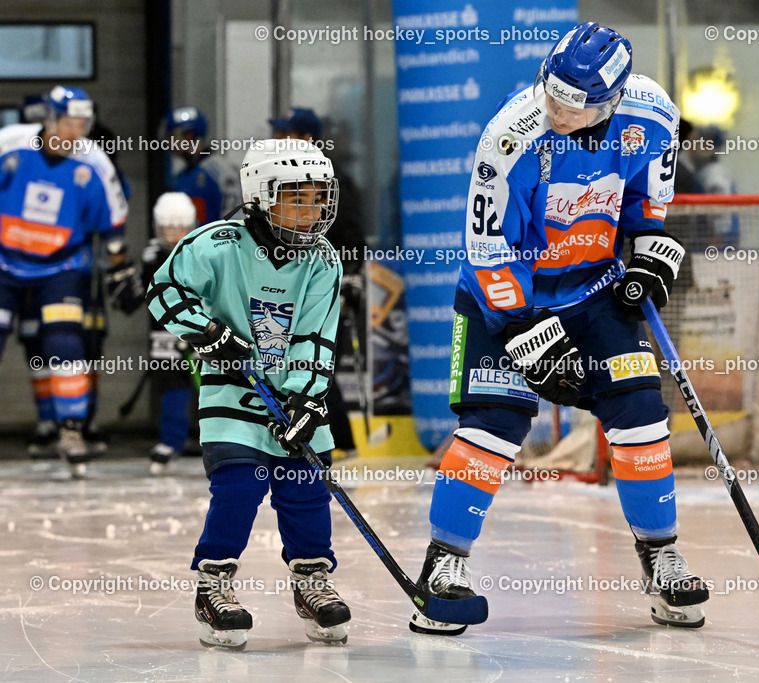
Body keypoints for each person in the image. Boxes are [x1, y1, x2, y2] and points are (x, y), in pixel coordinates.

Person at [409, 22, 709, 637]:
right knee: (493, 426)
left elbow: (646, 210)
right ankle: (444, 564)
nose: (558, 110)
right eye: (553, 94)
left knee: (642, 416)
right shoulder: (509, 136)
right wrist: (526, 338)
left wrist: (653, 257)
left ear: (614, 98)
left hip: (592, 292)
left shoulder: (654, 118)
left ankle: (660, 556)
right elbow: (489, 248)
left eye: (576, 104)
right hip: (505, 297)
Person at [146, 139, 350, 649]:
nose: (311, 211)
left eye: (318, 198)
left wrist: (306, 400)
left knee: (306, 490)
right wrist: (207, 333)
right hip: (230, 394)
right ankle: (213, 584)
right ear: (260, 195)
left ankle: (311, 584)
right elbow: (164, 291)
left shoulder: (323, 261)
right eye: (296, 198)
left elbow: (316, 337)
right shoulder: (216, 244)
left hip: (295, 397)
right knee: (239, 486)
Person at [0, 85, 138, 477]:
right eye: (70, 124)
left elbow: (113, 224)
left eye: (83, 125)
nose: (76, 133)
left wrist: (119, 267)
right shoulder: (9, 145)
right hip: (3, 264)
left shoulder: (94, 163)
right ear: (49, 119)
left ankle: (71, 431)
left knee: (65, 343)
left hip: (60, 269)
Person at [271, 106, 366, 459]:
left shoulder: (333, 180)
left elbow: (354, 238)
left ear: (307, 138)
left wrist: (351, 279)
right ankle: (333, 437)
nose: (279, 140)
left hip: (326, 284)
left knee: (316, 360)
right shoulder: (275, 178)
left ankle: (337, 439)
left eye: (286, 133)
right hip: (290, 286)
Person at [141, 192, 200, 474]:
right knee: (172, 391)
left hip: (200, 336)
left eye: (180, 229)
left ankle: (222, 444)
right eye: (168, 229)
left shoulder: (202, 252)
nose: (174, 236)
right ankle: (171, 441)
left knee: (214, 390)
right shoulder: (151, 257)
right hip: (165, 338)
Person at [166, 106, 242, 224]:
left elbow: (236, 216)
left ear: (189, 136)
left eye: (173, 136)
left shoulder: (221, 171)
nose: (170, 142)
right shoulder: (181, 177)